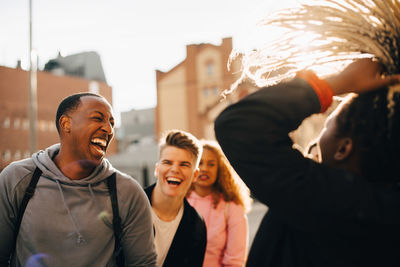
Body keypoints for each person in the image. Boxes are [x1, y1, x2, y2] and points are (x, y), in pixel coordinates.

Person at [215, 58, 400, 266]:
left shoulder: (329, 199)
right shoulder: (385, 208)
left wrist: (338, 83)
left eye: (328, 125)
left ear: (343, 148)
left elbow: (240, 125)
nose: (318, 136)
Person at [0, 92, 157, 266]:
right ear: (66, 124)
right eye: (98, 119)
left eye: (112, 123)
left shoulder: (128, 192)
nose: (109, 129)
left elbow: (143, 263)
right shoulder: (17, 178)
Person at [144, 129, 207, 267]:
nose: (175, 169)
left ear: (195, 175)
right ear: (157, 169)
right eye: (167, 162)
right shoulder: (130, 206)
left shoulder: (197, 226)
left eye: (184, 164)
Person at [187, 140, 252, 267]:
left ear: (220, 169)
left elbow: (235, 260)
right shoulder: (179, 201)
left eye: (211, 164)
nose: (204, 168)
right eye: (200, 163)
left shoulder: (232, 206)